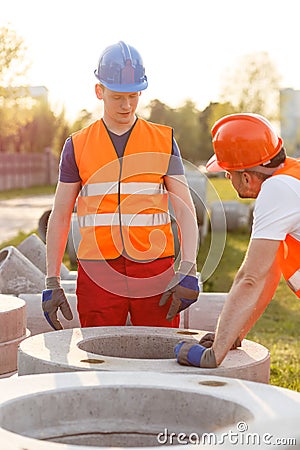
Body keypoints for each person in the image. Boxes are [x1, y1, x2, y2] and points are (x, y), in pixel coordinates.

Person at [42, 41, 199, 331]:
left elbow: (185, 207)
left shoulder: (163, 140)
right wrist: (52, 279)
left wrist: (189, 268)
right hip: (97, 269)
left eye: (133, 96)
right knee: (97, 356)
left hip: (154, 267)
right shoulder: (77, 145)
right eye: (117, 97)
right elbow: (60, 214)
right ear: (99, 91)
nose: (126, 106)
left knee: (158, 352)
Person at [175, 113, 300, 368]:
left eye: (228, 173)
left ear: (246, 176)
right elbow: (266, 275)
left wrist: (214, 355)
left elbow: (250, 278)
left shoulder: (276, 191)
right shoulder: (290, 179)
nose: (227, 179)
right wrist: (232, 336)